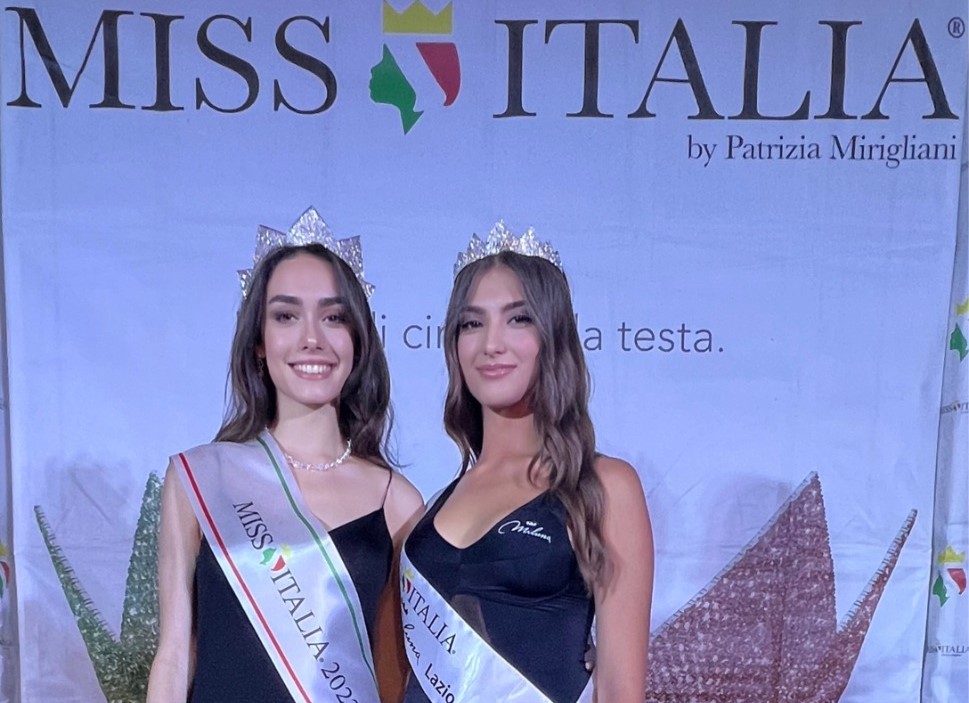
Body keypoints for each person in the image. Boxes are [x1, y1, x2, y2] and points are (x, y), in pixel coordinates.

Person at [147, 208, 423, 703]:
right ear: (259, 341)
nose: (311, 338)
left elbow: (399, 673)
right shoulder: (200, 479)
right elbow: (174, 655)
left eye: (334, 317)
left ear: (358, 338)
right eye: (286, 316)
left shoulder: (397, 503)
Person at [400, 223, 654, 703]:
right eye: (472, 324)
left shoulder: (603, 487)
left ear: (553, 335)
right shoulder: (436, 502)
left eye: (518, 319)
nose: (491, 343)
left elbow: (620, 690)